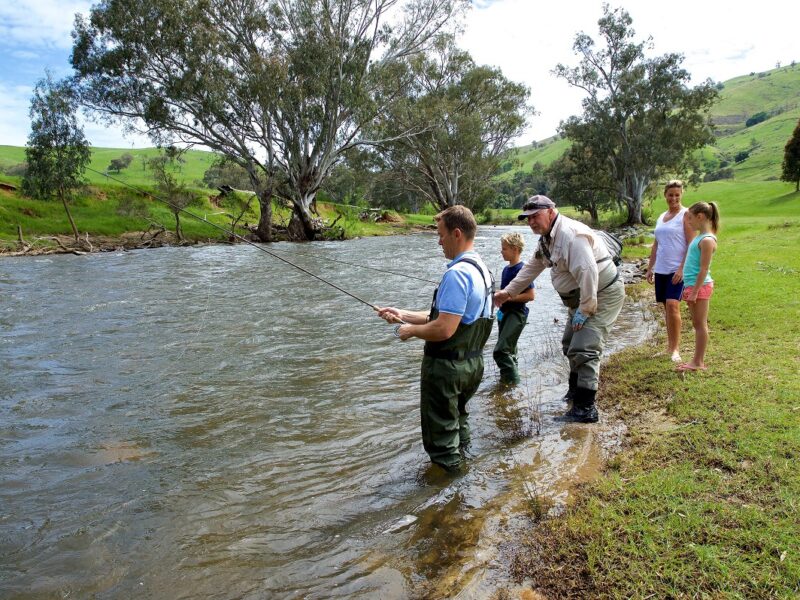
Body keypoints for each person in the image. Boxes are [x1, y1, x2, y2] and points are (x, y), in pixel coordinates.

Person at [377, 205, 494, 471]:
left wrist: (408, 331)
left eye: (440, 235)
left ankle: (450, 495)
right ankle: (467, 473)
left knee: (441, 436)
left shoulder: (457, 274)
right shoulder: (482, 269)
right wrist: (402, 314)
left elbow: (444, 329)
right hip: (471, 366)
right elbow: (450, 317)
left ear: (456, 233)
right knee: (458, 421)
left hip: (446, 370)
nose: (439, 241)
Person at [493, 195, 625, 423]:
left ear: (551, 211)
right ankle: (575, 394)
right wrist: (508, 292)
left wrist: (586, 309)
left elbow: (588, 272)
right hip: (581, 299)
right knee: (569, 344)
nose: (532, 222)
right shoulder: (547, 239)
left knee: (585, 348)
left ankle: (586, 409)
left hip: (600, 295)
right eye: (528, 218)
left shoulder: (570, 236)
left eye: (536, 216)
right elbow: (532, 267)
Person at [645, 180, 695, 362]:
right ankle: (669, 346)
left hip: (677, 270)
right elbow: (656, 245)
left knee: (674, 306)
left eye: (677, 194)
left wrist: (682, 268)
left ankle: (675, 350)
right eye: (670, 194)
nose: (673, 198)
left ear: (681, 195)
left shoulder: (686, 214)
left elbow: (691, 243)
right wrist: (651, 267)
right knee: (667, 309)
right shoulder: (661, 216)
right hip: (662, 270)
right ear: (665, 195)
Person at [676, 201, 719, 372]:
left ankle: (698, 362)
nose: (689, 222)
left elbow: (704, 269)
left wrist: (694, 292)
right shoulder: (700, 238)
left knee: (700, 325)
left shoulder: (707, 240)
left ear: (700, 217)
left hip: (699, 288)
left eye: (690, 219)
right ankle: (696, 360)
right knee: (696, 324)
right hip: (692, 286)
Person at [493, 232, 535, 385]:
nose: (501, 251)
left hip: (516, 314)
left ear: (515, 249)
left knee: (501, 351)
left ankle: (513, 382)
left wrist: (508, 297)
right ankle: (507, 383)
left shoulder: (522, 269)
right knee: (510, 350)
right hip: (504, 314)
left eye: (504, 249)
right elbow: (505, 293)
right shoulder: (506, 269)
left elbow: (530, 296)